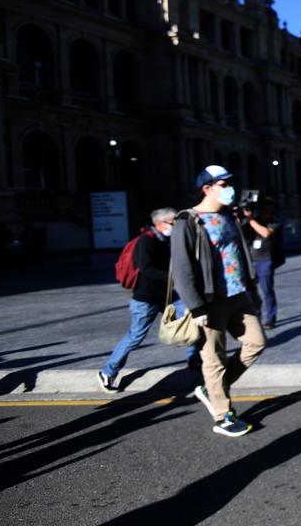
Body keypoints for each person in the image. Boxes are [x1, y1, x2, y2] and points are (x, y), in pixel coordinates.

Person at [171, 165, 266, 438]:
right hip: (210, 301)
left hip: (238, 294)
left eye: (229, 184)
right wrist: (196, 305)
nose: (229, 189)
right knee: (213, 358)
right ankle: (222, 415)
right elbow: (182, 267)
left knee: (256, 342)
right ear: (207, 188)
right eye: (223, 184)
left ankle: (211, 390)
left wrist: (252, 290)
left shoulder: (228, 216)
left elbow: (239, 254)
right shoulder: (187, 220)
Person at [97, 208, 178, 392]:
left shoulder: (165, 240)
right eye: (173, 223)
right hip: (146, 299)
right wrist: (173, 278)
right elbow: (146, 269)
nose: (175, 226)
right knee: (135, 337)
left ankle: (197, 364)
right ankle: (108, 372)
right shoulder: (146, 241)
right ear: (160, 224)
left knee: (191, 322)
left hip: (166, 295)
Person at [240, 197, 283, 328]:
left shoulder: (275, 221)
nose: (264, 210)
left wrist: (251, 219)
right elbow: (240, 230)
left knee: (267, 290)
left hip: (265, 260)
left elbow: (265, 233)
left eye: (267, 207)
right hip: (250, 260)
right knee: (250, 291)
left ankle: (271, 317)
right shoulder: (253, 221)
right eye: (262, 207)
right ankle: (256, 313)